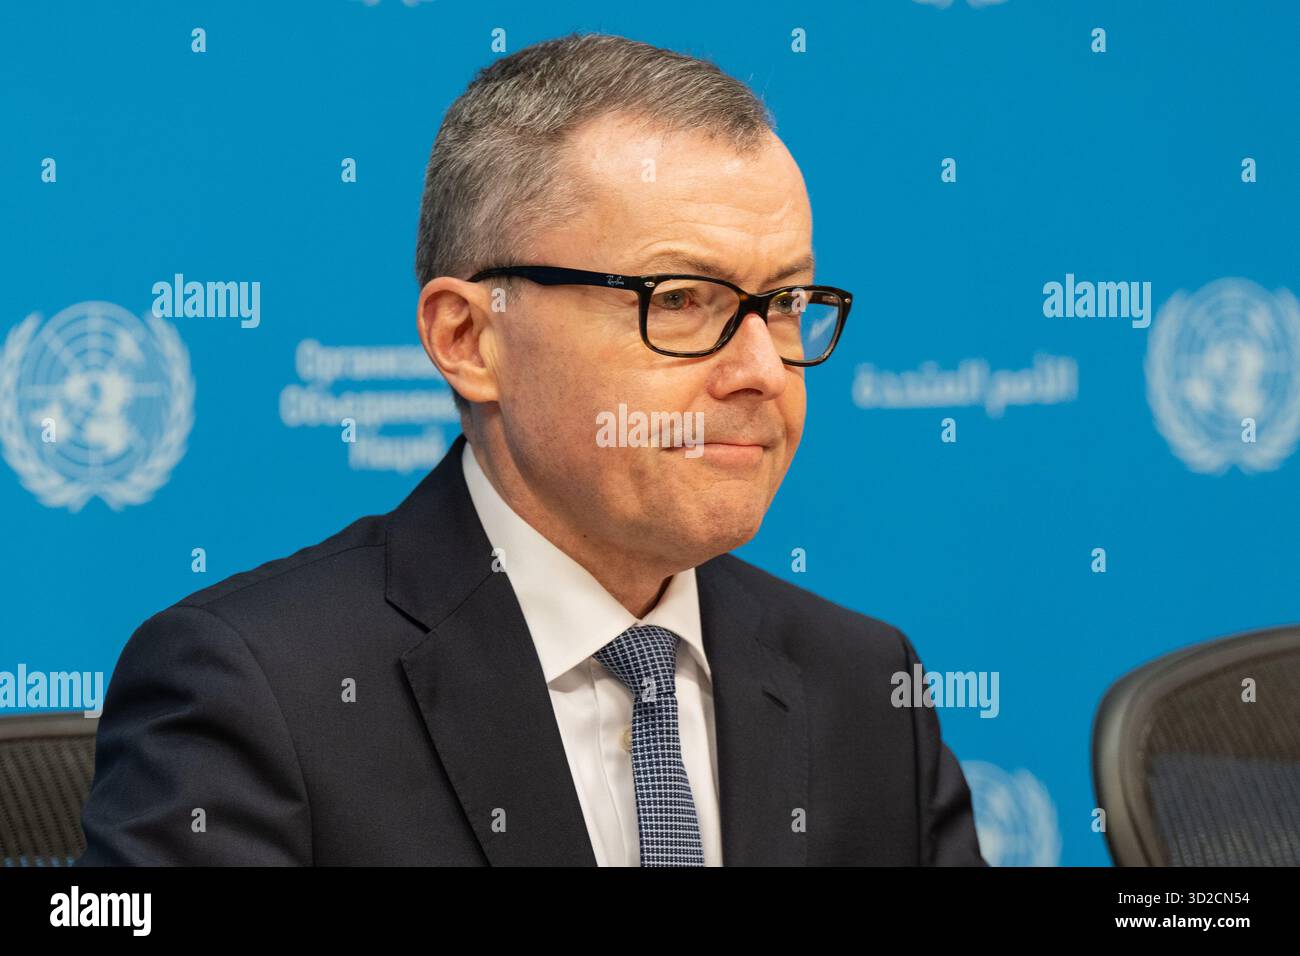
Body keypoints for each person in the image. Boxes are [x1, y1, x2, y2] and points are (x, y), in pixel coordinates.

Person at [77, 31, 985, 866]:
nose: (761, 369)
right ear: (470, 339)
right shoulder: (255, 695)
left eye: (783, 303)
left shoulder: (868, 685)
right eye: (678, 300)